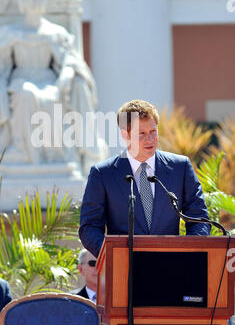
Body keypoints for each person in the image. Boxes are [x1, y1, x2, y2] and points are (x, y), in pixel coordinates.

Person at [0, 0, 106, 183]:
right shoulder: (9, 32)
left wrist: (65, 74)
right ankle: (22, 150)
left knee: (52, 98)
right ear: (21, 2)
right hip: (20, 80)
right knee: (26, 94)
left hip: (48, 80)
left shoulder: (55, 33)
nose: (33, 1)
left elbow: (70, 60)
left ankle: (53, 155)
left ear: (45, 0)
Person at [79, 99, 210, 258]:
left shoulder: (180, 167)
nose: (150, 139)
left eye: (153, 131)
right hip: (125, 271)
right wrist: (112, 256)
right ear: (125, 135)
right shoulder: (102, 174)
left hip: (173, 266)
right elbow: (89, 227)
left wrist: (188, 253)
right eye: (141, 133)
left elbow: (199, 218)